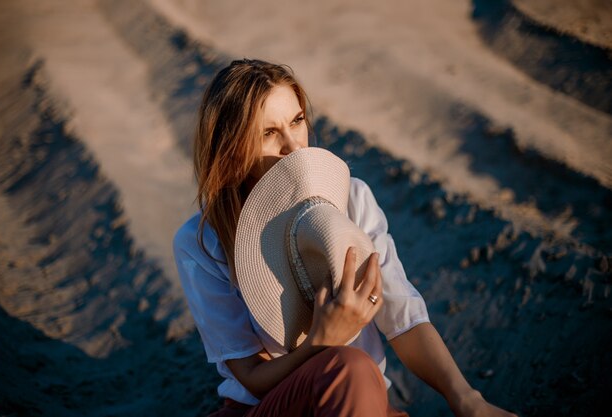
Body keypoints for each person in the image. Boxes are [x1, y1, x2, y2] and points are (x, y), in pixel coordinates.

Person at [173, 58, 516, 417]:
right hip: (269, 408)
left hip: (356, 402)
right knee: (347, 367)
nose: (294, 146)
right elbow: (253, 378)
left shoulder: (351, 198)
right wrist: (323, 340)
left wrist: (467, 400)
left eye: (296, 121)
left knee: (354, 375)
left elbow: (402, 314)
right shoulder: (201, 242)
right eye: (268, 133)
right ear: (230, 148)